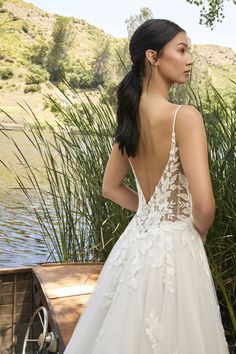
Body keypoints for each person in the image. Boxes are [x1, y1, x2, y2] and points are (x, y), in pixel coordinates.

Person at [63, 19, 230, 354]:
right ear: (153, 56)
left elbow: (110, 187)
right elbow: (205, 207)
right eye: (181, 50)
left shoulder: (130, 118)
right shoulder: (185, 117)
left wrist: (151, 214)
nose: (189, 59)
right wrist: (194, 230)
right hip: (178, 246)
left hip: (136, 245)